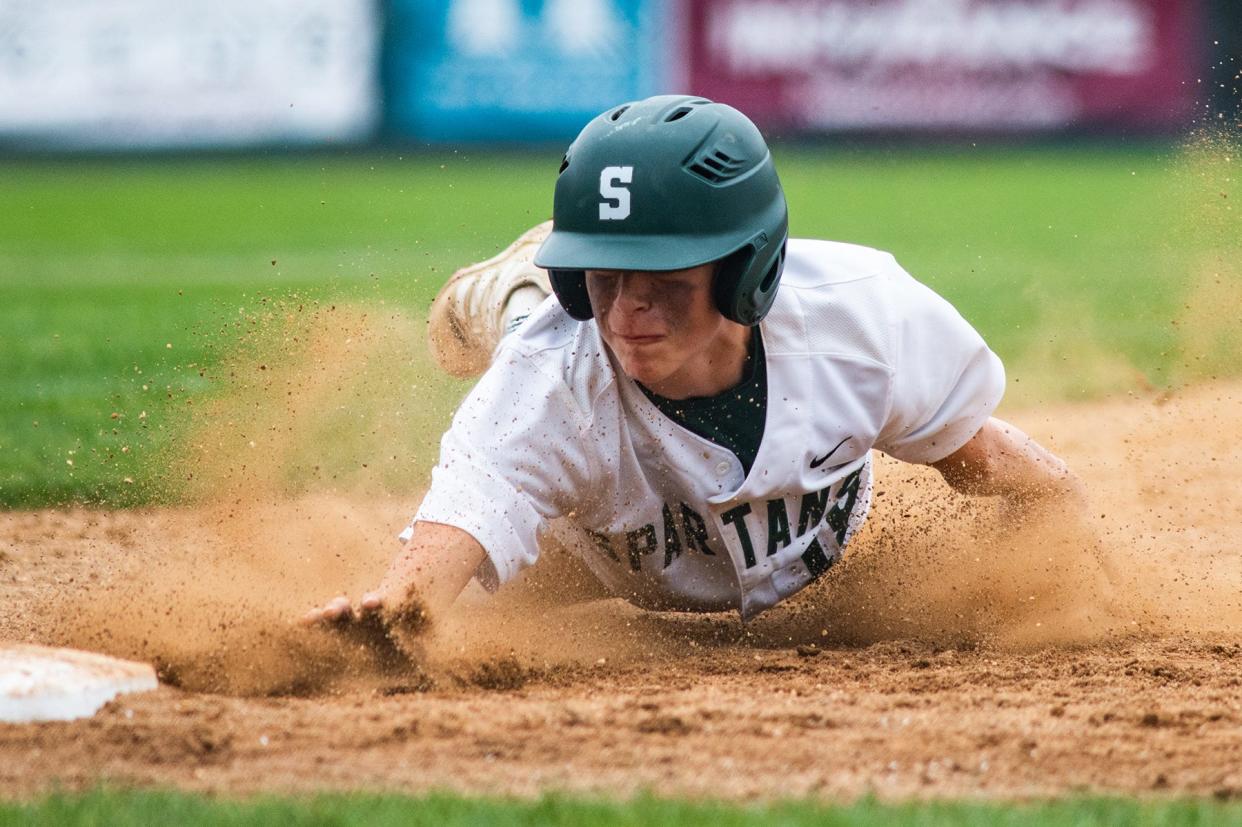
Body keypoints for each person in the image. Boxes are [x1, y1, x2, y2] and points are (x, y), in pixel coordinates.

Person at [303, 95, 1082, 641]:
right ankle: (516, 301)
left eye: (664, 279)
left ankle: (520, 297)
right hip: (599, 553)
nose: (626, 311)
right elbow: (446, 543)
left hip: (799, 550)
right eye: (600, 274)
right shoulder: (541, 388)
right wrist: (391, 617)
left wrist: (1073, 556)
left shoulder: (865, 323)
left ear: (747, 271)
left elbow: (1001, 464)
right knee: (540, 366)